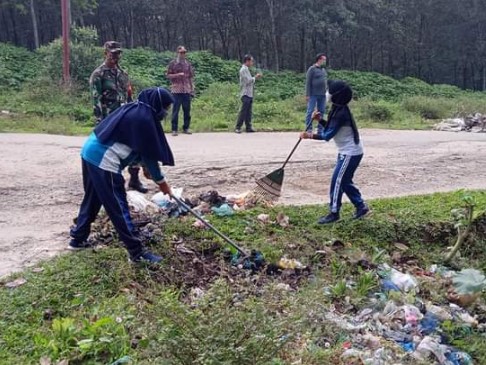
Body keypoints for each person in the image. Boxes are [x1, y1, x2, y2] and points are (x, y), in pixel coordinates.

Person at [69, 87, 175, 264]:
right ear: (158, 105)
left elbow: (135, 145)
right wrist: (162, 183)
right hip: (104, 161)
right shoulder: (145, 119)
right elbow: (149, 156)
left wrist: (144, 167)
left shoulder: (135, 109)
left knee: (93, 198)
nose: (165, 112)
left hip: (90, 151)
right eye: (166, 108)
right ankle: (136, 252)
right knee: (118, 207)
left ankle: (78, 239)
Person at [300, 80, 369, 224]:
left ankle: (334, 212)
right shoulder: (338, 108)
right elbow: (332, 128)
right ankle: (361, 206)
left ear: (336, 96)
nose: (327, 93)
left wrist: (309, 135)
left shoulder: (340, 113)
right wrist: (320, 120)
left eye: (330, 91)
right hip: (349, 151)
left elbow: (327, 136)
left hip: (350, 153)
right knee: (345, 181)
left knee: (337, 181)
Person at [89, 41, 148, 194]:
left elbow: (129, 95)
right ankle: (113, 181)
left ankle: (134, 180)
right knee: (112, 151)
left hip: (125, 117)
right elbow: (96, 100)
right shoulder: (98, 74)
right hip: (109, 118)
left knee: (132, 146)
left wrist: (134, 114)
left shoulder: (123, 73)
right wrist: (100, 123)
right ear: (105, 53)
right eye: (112, 53)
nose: (115, 56)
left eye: (118, 53)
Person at [166, 45, 195, 136]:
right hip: (176, 90)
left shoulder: (188, 64)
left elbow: (191, 77)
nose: (183, 54)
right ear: (177, 53)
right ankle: (174, 129)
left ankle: (186, 128)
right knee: (175, 110)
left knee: (187, 110)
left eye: (184, 52)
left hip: (186, 89)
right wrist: (178, 75)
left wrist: (192, 88)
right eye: (181, 52)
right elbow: (168, 75)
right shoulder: (173, 63)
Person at [235, 54, 262, 134]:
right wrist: (255, 77)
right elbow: (248, 81)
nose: (252, 63)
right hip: (245, 93)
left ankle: (248, 127)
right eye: (251, 61)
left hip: (249, 93)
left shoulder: (246, 69)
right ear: (247, 61)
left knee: (248, 111)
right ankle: (238, 127)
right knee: (243, 111)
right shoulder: (243, 70)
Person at [304, 53, 328, 132]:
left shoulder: (323, 70)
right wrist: (307, 94)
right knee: (310, 111)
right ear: (319, 59)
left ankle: (320, 129)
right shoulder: (312, 69)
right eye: (324, 59)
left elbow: (324, 81)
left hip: (322, 94)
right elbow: (308, 82)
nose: (325, 61)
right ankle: (309, 128)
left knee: (321, 111)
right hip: (313, 94)